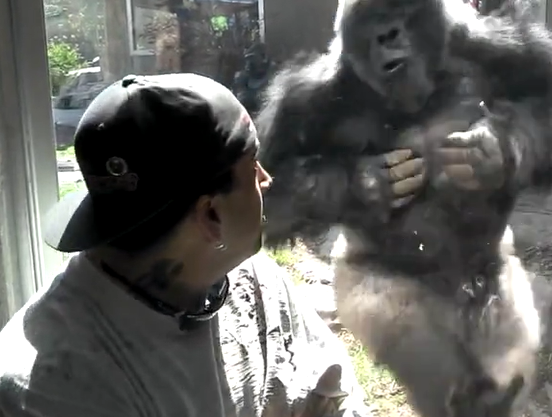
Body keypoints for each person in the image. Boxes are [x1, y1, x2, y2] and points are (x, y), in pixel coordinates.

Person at [0, 73, 369, 417]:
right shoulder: (52, 389)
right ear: (211, 216)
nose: (266, 179)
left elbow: (334, 394)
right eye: (252, 165)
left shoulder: (252, 280)